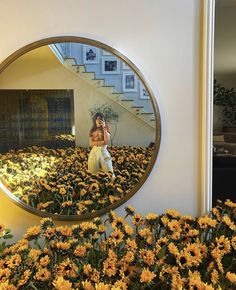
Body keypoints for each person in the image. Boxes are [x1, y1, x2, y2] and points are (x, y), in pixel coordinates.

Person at [88, 112, 115, 178]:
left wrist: (104, 127)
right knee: (93, 172)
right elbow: (91, 144)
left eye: (100, 119)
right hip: (93, 152)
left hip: (103, 151)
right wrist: (102, 142)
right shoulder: (92, 130)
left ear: (103, 120)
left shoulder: (106, 129)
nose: (99, 120)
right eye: (97, 119)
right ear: (95, 120)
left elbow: (106, 141)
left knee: (109, 172)